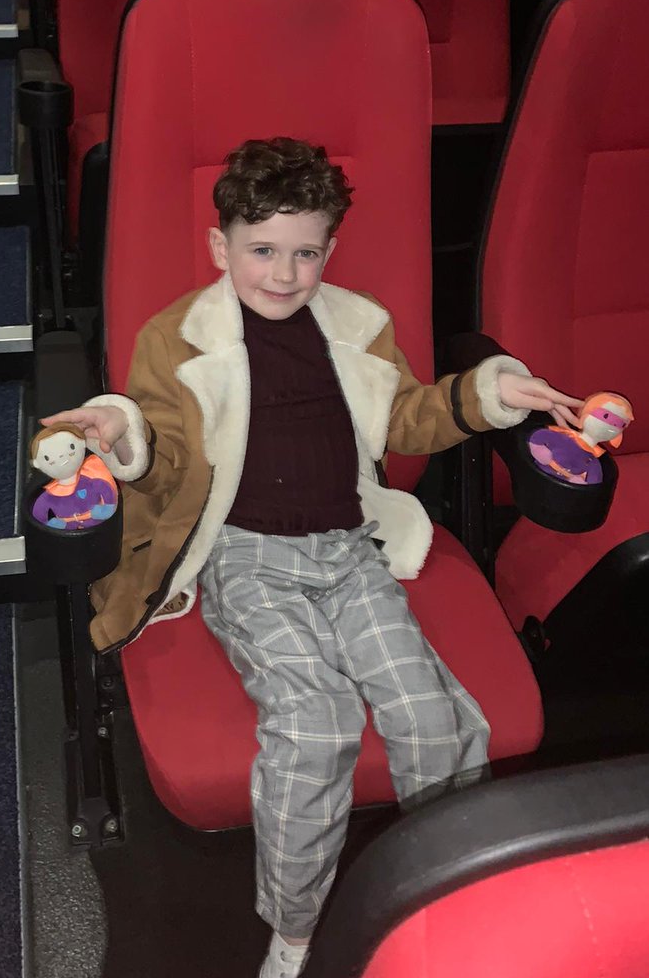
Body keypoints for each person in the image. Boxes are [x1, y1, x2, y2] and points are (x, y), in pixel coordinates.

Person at [43, 138, 582, 978]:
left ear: (330, 249)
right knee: (316, 721)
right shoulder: (177, 338)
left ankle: (447, 892)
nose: (284, 274)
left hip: (349, 550)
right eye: (262, 250)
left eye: (305, 253)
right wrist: (122, 433)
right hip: (246, 558)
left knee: (431, 714)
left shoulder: (358, 324)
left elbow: (406, 420)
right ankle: (295, 931)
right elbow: (168, 459)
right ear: (220, 246)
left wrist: (486, 396)